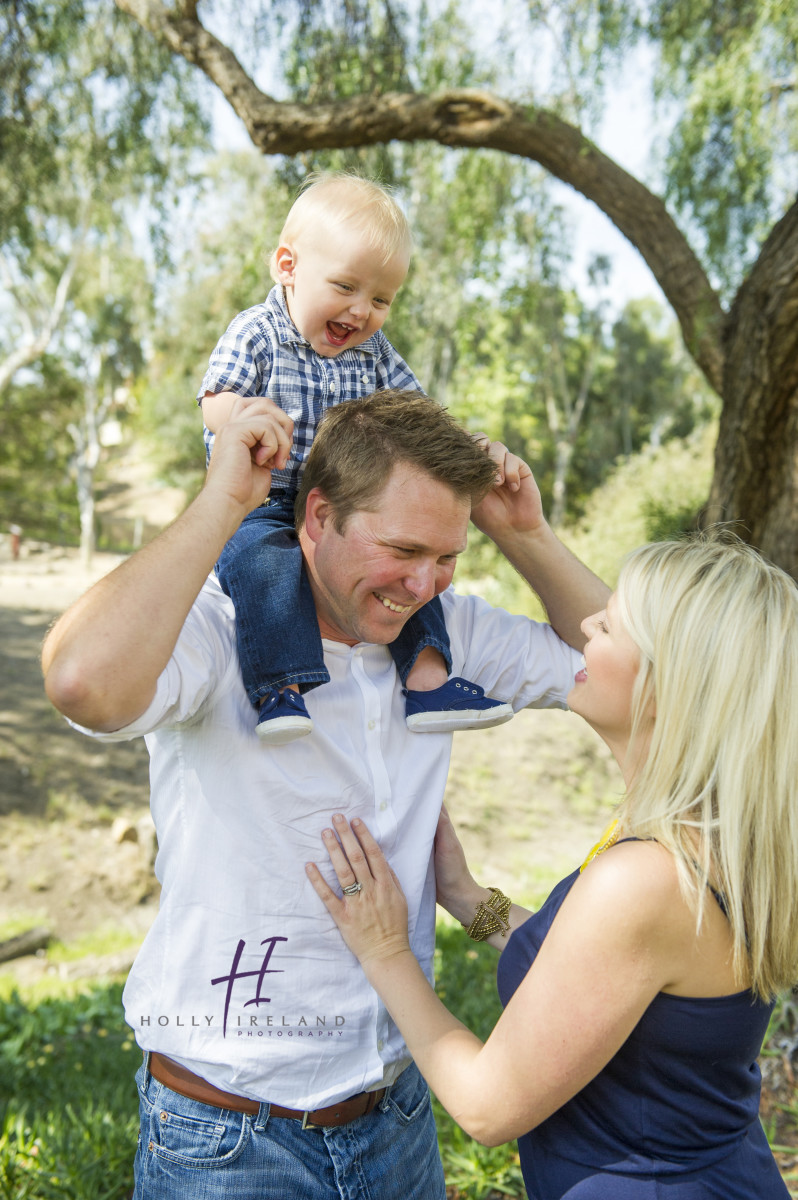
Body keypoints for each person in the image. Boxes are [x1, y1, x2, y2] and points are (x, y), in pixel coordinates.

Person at [42, 390, 609, 1200]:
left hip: (397, 1117)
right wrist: (221, 502)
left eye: (447, 557)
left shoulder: (451, 637)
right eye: (403, 548)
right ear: (316, 516)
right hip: (230, 1140)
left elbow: (635, 676)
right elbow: (80, 681)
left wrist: (527, 535)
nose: (422, 583)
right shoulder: (218, 629)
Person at [308, 531, 798, 1200]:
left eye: (612, 625)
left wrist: (386, 948)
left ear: (667, 685)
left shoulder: (647, 880)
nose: (586, 625)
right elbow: (589, 970)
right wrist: (466, 897)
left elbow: (487, 1106)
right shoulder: (704, 838)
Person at [199, 170, 512, 743]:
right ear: (287, 267)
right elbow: (215, 399)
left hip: (348, 506)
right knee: (261, 564)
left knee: (413, 578)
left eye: (381, 299)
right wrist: (242, 419)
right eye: (345, 287)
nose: (361, 310)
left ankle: (427, 680)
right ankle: (279, 688)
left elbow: (421, 418)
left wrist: (470, 450)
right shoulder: (259, 333)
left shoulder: (375, 355)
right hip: (266, 500)